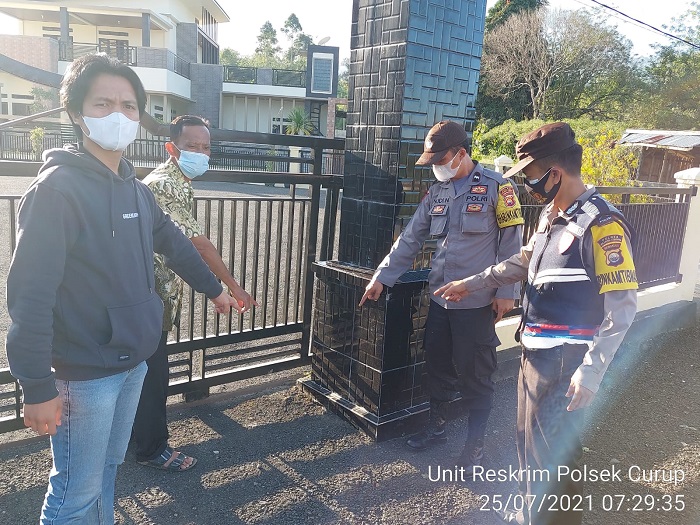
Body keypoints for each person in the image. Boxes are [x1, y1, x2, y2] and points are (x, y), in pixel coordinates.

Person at [5, 53, 237, 525]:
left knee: (106, 472)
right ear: (76, 113)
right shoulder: (56, 191)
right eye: (103, 103)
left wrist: (215, 290)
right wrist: (36, 386)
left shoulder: (136, 190)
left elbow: (177, 247)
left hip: (132, 361)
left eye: (129, 106)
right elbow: (28, 297)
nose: (119, 116)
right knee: (73, 492)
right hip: (85, 373)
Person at [435, 122, 638, 525]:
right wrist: (471, 283)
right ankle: (532, 514)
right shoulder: (552, 214)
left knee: (554, 459)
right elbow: (522, 261)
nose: (527, 185)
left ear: (555, 173)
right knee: (529, 445)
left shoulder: (601, 225)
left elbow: (623, 308)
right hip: (536, 357)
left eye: (529, 176)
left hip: (566, 364)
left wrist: (593, 371)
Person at [359, 120, 524, 467]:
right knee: (436, 367)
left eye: (440, 159)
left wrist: (506, 291)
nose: (436, 167)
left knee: (476, 375)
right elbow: (410, 238)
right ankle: (436, 427)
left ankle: (475, 444)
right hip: (440, 300)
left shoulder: (499, 188)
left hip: (476, 302)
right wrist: (381, 277)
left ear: (461, 153)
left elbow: (513, 245)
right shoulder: (438, 192)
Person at [132, 115, 257, 471]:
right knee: (153, 374)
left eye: (206, 147)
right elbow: (198, 247)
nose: (201, 154)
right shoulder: (164, 185)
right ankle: (152, 449)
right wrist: (231, 289)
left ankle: (136, 438)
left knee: (141, 373)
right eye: (192, 147)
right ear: (172, 148)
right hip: (149, 297)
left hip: (152, 296)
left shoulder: (175, 182)